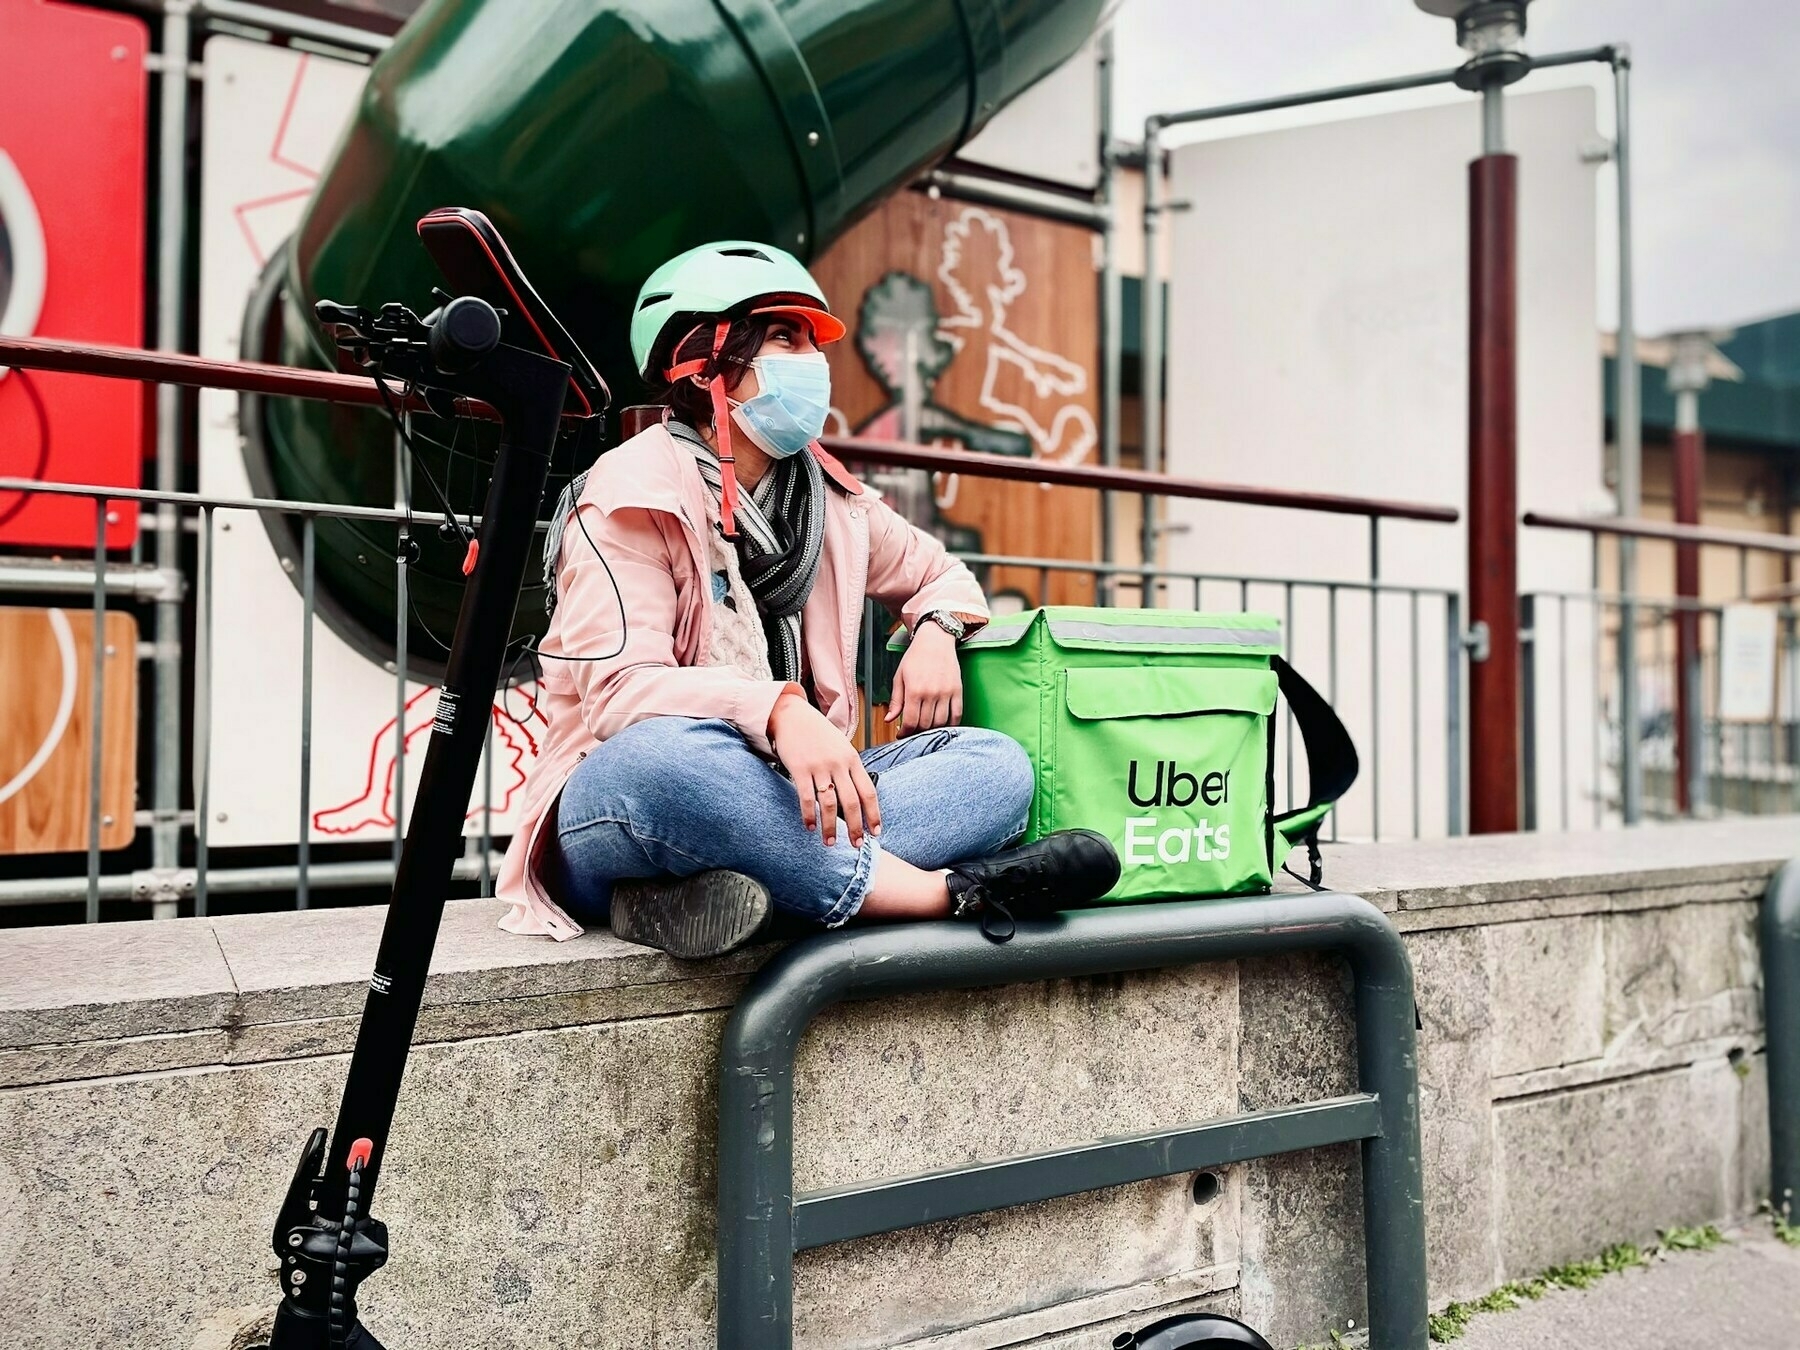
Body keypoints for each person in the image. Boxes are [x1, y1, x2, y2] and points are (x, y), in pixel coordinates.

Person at [495, 241, 1118, 957]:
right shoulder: (627, 494)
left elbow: (942, 575)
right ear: (705, 362)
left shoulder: (833, 504)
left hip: (785, 791)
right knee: (668, 764)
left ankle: (734, 887)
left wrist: (938, 632)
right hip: (618, 804)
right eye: (785, 338)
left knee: (995, 766)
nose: (811, 362)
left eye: (812, 343)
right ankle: (944, 892)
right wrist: (779, 711)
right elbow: (618, 694)